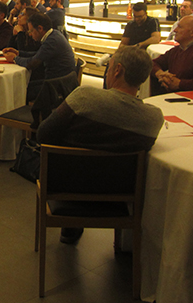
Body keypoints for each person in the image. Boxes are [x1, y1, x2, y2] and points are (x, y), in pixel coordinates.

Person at [36, 46, 164, 244]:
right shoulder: (153, 118)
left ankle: (71, 227)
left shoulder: (84, 97)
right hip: (120, 193)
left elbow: (43, 134)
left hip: (67, 186)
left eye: (109, 66)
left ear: (118, 70)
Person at [3, 12, 76, 101]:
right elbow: (38, 54)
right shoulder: (54, 34)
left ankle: (20, 114)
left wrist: (14, 58)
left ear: (40, 28)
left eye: (31, 31)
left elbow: (32, 63)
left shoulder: (52, 41)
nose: (30, 34)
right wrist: (18, 53)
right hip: (60, 82)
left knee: (17, 90)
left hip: (55, 86)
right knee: (21, 86)